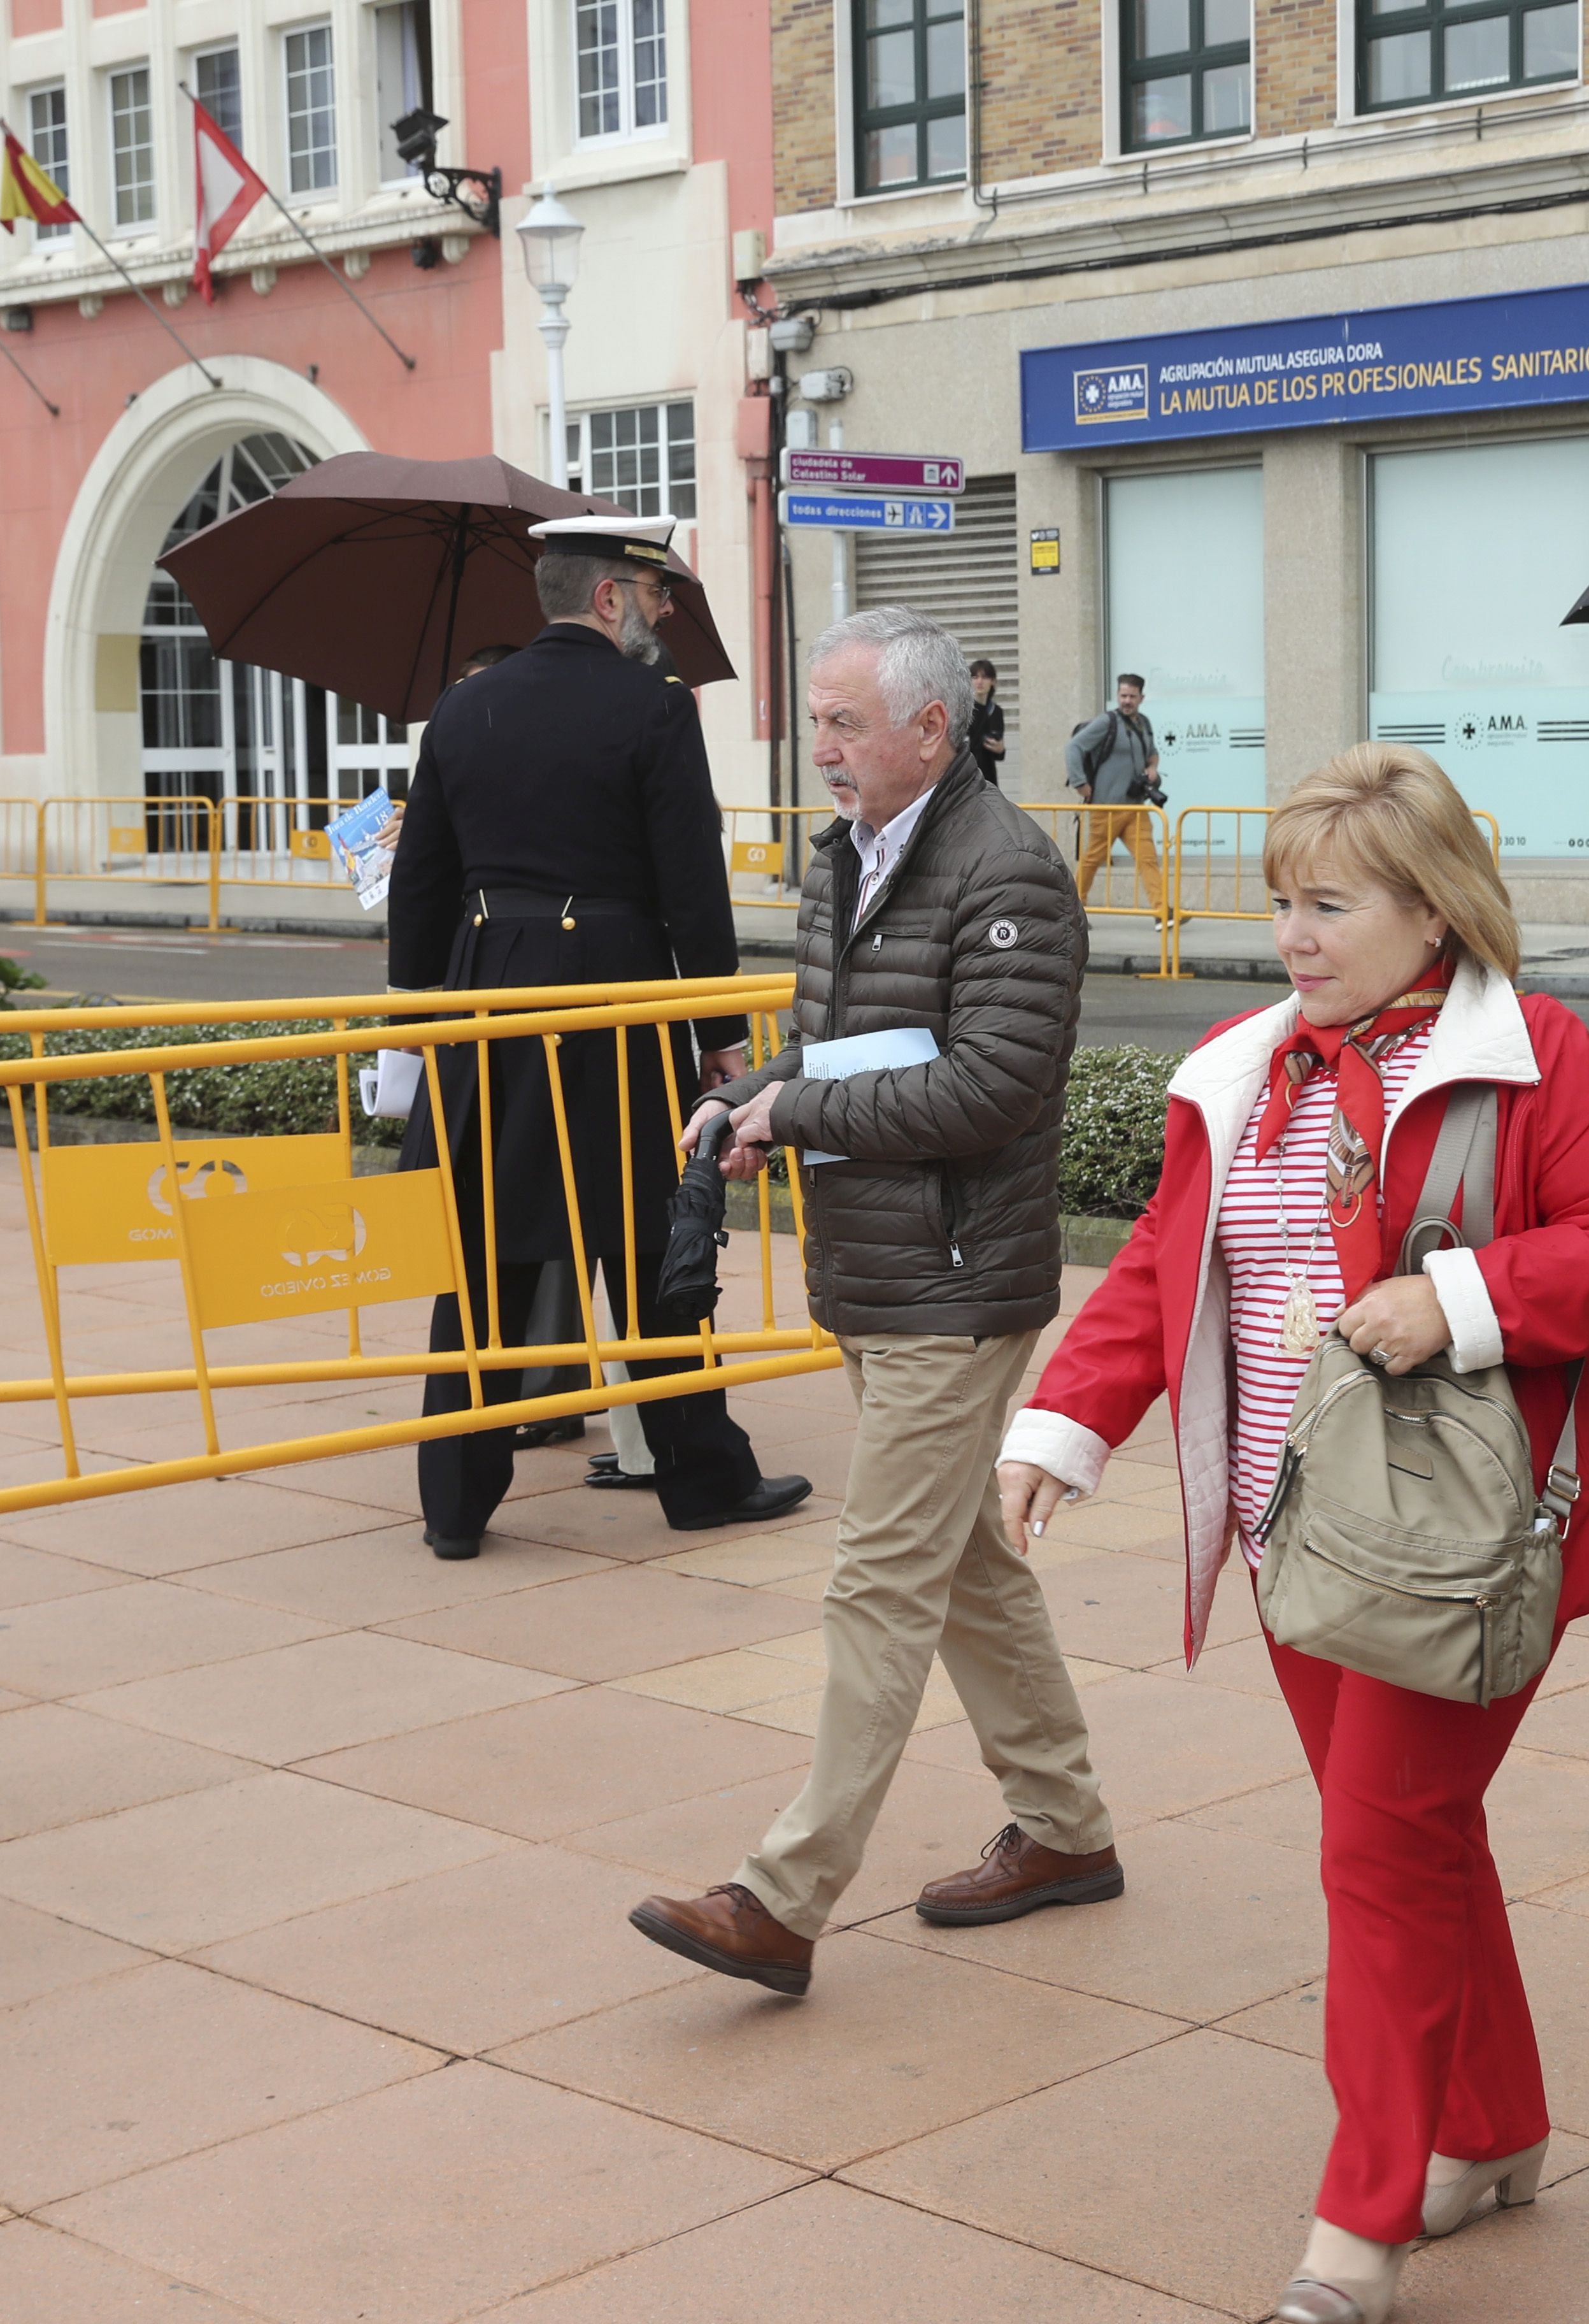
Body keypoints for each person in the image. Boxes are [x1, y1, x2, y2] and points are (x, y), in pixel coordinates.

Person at [997, 745, 1589, 2324]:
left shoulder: (1531, 1057)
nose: (1293, 936)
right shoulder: (1249, 1068)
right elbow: (1166, 1269)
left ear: (1431, 913)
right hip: (1289, 1534)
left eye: (1328, 905)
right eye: (1282, 904)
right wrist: (1066, 1423)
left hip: (1460, 1543)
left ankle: (1357, 2231)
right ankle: (1494, 2130)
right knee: (1416, 1837)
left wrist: (1453, 1300)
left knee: (1375, 1849)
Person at [629, 606, 1114, 1998]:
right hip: (881, 1264)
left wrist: (808, 1098)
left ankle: (783, 1898)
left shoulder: (1007, 868)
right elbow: (838, 1043)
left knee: (881, 1581)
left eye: (847, 725)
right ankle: (1069, 1831)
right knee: (962, 1564)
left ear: (929, 728)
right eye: (819, 722)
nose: (824, 751)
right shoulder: (852, 856)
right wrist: (752, 1093)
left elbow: (994, 1085)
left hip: (957, 1280)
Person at [385, 513, 809, 1556]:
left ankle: (454, 1502)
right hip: (612, 995)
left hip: (485, 1002)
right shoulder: (653, 709)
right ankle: (701, 1477)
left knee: (478, 1246)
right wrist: (716, 1032)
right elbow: (690, 887)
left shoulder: (461, 705)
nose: (665, 611)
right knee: (644, 1233)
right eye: (656, 592)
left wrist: (416, 1015)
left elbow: (422, 882)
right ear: (610, 597)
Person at [1063, 670, 1165, 908]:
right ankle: (1075, 908)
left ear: (1142, 698)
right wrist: (1080, 784)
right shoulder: (1106, 722)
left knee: (1148, 859)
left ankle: (1162, 911)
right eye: (1123, 695)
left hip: (1135, 807)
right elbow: (1073, 748)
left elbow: (1153, 754)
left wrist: (1152, 769)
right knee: (1092, 860)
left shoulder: (1144, 724)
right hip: (1106, 807)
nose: (1127, 701)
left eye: (1132, 696)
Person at [966, 657, 1007, 778]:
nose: (979, 682)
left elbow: (999, 755)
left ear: (993, 681)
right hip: (966, 775)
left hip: (988, 776)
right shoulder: (963, 710)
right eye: (975, 677)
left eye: (984, 677)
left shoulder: (996, 711)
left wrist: (1000, 750)